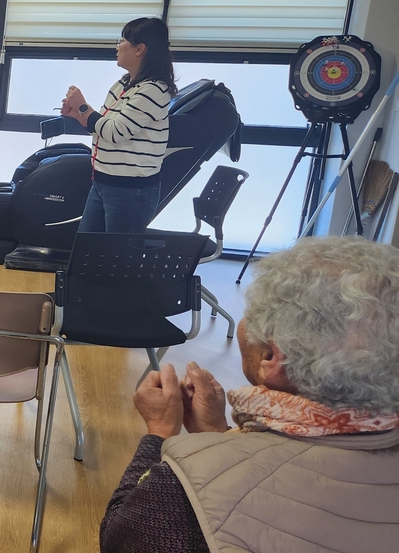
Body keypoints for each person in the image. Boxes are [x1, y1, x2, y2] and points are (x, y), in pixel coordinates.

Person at [101, 236, 399, 553]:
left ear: (273, 357)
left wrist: (159, 432)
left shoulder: (184, 487)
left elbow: (121, 539)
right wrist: (216, 434)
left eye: (252, 313)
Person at [59, 17, 176, 234]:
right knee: (87, 249)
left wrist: (83, 107)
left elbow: (115, 132)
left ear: (139, 49)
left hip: (130, 191)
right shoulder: (124, 83)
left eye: (122, 41)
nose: (117, 46)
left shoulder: (154, 90)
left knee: (116, 260)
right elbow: (103, 127)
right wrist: (78, 114)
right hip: (102, 181)